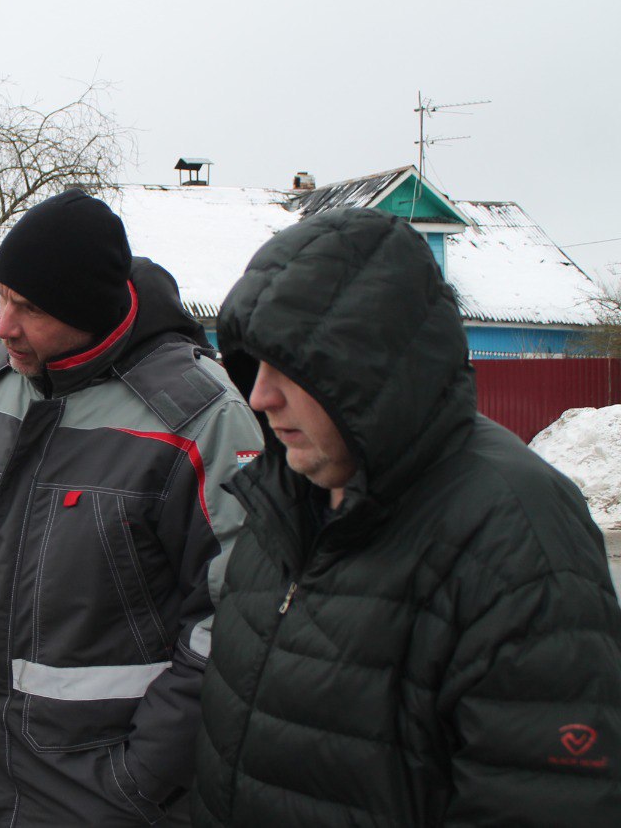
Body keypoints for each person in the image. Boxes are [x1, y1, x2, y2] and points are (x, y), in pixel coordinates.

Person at [193, 207, 621, 825]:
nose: (259, 396)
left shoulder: (516, 530)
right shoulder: (284, 496)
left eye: (288, 366)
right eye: (254, 365)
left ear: (367, 368)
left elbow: (544, 799)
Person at [0, 189, 264, 827]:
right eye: (2, 296)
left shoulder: (199, 417)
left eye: (30, 308)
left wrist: (138, 778)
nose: (3, 326)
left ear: (88, 312)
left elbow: (237, 621)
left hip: (113, 801)